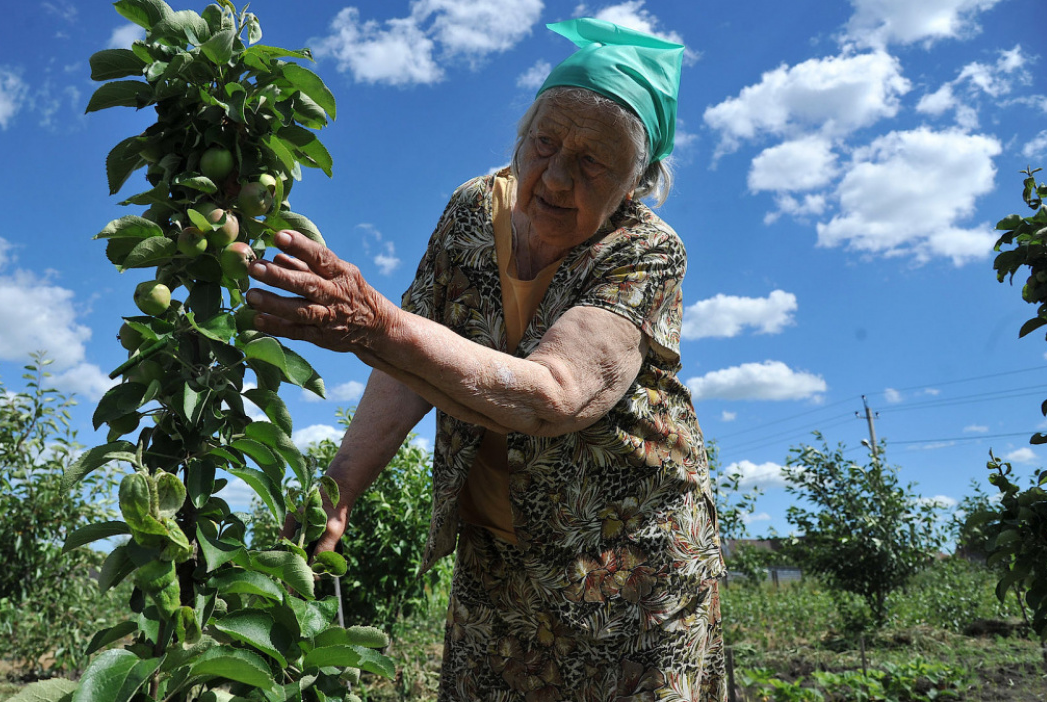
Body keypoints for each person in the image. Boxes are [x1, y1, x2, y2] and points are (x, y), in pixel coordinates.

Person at [246, 17, 726, 702]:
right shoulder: (473, 210)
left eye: (593, 161)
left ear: (636, 184)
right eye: (545, 142)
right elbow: (409, 362)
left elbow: (557, 394)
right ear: (520, 139)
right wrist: (340, 487)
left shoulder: (645, 250)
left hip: (631, 558)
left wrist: (377, 325)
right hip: (497, 550)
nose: (556, 176)